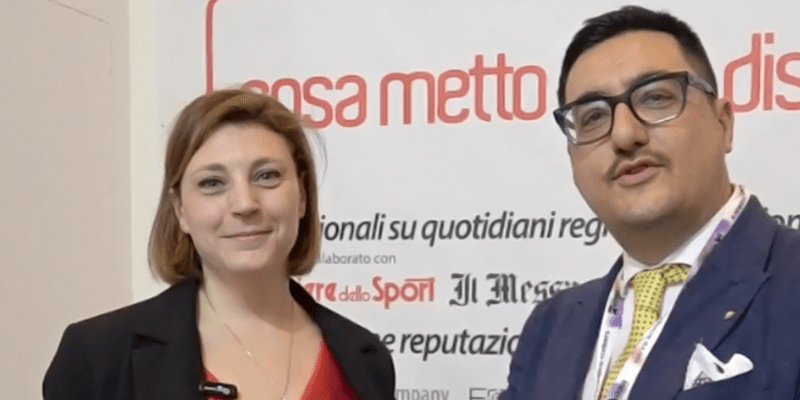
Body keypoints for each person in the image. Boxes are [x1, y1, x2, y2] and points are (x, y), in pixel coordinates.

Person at [501, 5, 800, 400]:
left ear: (723, 123)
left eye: (655, 97)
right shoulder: (551, 327)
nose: (624, 135)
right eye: (593, 117)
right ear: (572, 158)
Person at [44, 88, 396, 400]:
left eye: (267, 176)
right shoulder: (98, 356)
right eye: (212, 183)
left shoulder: (365, 359)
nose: (244, 204)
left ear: (302, 195)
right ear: (180, 210)